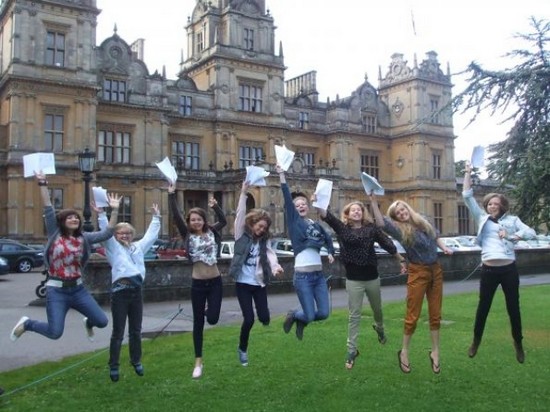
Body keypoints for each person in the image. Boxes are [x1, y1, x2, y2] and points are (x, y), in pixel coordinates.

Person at [10, 172, 121, 343]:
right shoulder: (55, 233)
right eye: (69, 217)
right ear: (62, 221)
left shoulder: (84, 238)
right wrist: (42, 183)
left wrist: (114, 210)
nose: (74, 219)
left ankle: (88, 323)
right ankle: (28, 324)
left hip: (78, 289)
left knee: (102, 321)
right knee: (55, 333)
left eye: (76, 217)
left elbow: (107, 233)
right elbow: (48, 207)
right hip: (56, 290)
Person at [316, 201, 406, 369]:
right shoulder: (343, 229)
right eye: (353, 210)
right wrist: (319, 200)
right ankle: (351, 351)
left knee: (377, 310)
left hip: (371, 277)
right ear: (348, 214)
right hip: (353, 279)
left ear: (363, 213)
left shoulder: (371, 229)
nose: (357, 212)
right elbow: (326, 216)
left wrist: (401, 260)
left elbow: (387, 243)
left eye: (359, 210)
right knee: (354, 315)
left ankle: (379, 328)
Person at [370, 194, 453, 374]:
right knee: (412, 314)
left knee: (436, 313)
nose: (401, 213)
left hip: (436, 270)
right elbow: (381, 223)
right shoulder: (399, 230)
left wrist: (444, 247)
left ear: (408, 209)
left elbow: (436, 235)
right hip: (418, 272)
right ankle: (404, 352)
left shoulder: (423, 222)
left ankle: (435, 351)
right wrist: (373, 201)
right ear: (396, 218)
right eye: (397, 213)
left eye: (403, 209)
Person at [462, 162, 535, 363]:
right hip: (489, 270)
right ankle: (476, 341)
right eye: (489, 204)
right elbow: (467, 196)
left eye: (495, 203)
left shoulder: (512, 221)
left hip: (509, 269)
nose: (492, 206)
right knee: (483, 307)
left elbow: (531, 233)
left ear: (502, 205)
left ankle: (518, 344)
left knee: (513, 307)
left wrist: (512, 235)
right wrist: (468, 172)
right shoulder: (482, 219)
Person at [95, 202, 161, 382]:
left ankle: (136, 360)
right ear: (115, 235)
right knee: (118, 331)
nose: (125, 235)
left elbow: (151, 236)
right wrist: (105, 213)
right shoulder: (113, 248)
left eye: (128, 233)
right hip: (120, 293)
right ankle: (114, 365)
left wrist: (156, 217)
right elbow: (105, 232)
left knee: (136, 330)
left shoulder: (138, 247)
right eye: (121, 233)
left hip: (136, 291)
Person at [168, 183, 227, 379]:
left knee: (213, 318)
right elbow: (176, 216)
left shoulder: (212, 231)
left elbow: (224, 220)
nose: (196, 222)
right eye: (193, 220)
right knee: (198, 324)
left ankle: (206, 311)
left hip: (215, 281)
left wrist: (215, 206)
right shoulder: (187, 235)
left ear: (203, 220)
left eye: (199, 219)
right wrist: (171, 194)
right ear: (189, 222)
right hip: (198, 284)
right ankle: (198, 362)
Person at [228, 180, 284, 366]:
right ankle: (242, 349)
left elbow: (270, 255)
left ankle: (264, 318)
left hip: (259, 283)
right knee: (249, 319)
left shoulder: (263, 241)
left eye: (264, 228)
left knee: (265, 318)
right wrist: (243, 193)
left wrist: (276, 268)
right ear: (252, 223)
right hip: (243, 283)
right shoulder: (240, 235)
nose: (261, 230)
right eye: (258, 226)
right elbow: (240, 214)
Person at [276, 165, 335, 340]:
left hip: (318, 276)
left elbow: (327, 237)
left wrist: (330, 252)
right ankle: (295, 315)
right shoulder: (295, 223)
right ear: (293, 209)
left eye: (304, 204)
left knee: (324, 313)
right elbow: (287, 197)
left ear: (308, 207)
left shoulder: (315, 224)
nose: (301, 206)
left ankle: (300, 319)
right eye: (297, 205)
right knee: (309, 315)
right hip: (302, 278)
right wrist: (281, 175)